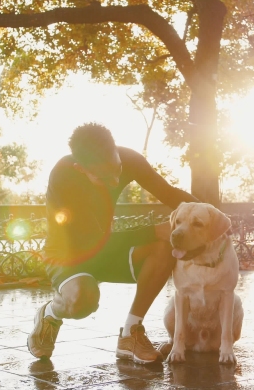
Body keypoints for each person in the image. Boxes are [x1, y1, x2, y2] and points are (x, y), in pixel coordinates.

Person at [29, 122, 198, 364]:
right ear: (81, 168)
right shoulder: (63, 176)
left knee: (163, 249)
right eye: (104, 177)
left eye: (117, 169)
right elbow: (90, 238)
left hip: (106, 249)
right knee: (83, 301)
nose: (114, 180)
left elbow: (169, 194)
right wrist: (154, 230)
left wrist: (212, 215)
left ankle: (131, 333)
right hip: (69, 254)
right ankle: (50, 313)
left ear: (117, 152)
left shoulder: (130, 160)